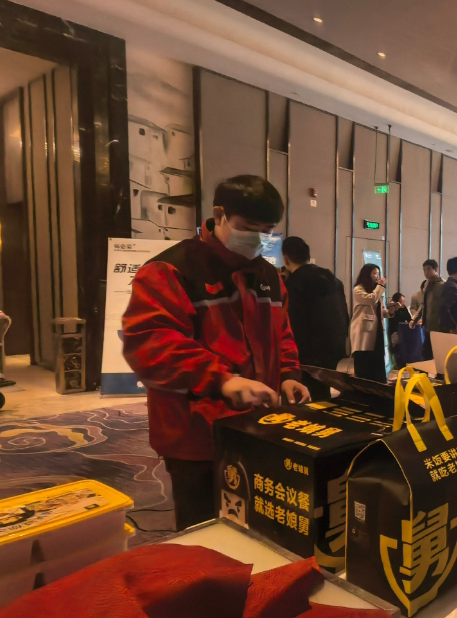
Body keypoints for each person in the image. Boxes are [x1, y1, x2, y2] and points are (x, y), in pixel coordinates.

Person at [122, 174, 309, 530]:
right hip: (195, 435)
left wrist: (288, 374)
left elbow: (282, 333)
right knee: (203, 529)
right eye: (248, 227)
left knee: (256, 523)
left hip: (256, 425)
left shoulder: (268, 275)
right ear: (219, 215)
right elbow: (151, 344)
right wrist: (222, 380)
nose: (257, 238)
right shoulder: (171, 270)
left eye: (266, 231)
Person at [281, 237, 349, 400]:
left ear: (286, 258)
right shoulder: (334, 282)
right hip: (332, 350)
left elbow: (292, 321)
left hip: (304, 353)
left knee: (301, 396)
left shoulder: (292, 285)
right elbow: (343, 314)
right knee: (322, 393)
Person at [349, 262, 387, 357]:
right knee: (364, 356)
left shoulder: (376, 290)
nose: (377, 276)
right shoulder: (358, 289)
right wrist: (380, 286)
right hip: (364, 329)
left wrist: (390, 310)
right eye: (375, 273)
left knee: (376, 357)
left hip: (377, 328)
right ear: (366, 274)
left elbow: (379, 310)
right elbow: (370, 299)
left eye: (378, 274)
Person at [437, 257, 457, 335]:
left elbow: (454, 308)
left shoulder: (449, 284)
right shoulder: (452, 287)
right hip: (454, 332)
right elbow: (443, 308)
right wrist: (453, 327)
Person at [417, 258, 442, 358]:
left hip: (439, 326)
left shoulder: (442, 285)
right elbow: (423, 304)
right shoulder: (427, 284)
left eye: (428, 269)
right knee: (426, 353)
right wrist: (415, 319)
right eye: (424, 270)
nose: (426, 272)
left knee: (436, 353)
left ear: (435, 270)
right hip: (428, 325)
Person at [387, 291, 413, 367]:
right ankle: (397, 363)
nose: (403, 304)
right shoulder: (392, 308)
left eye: (404, 301)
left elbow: (409, 318)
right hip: (394, 331)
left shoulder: (404, 308)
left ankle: (403, 362)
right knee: (397, 347)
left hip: (403, 331)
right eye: (402, 302)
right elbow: (392, 320)